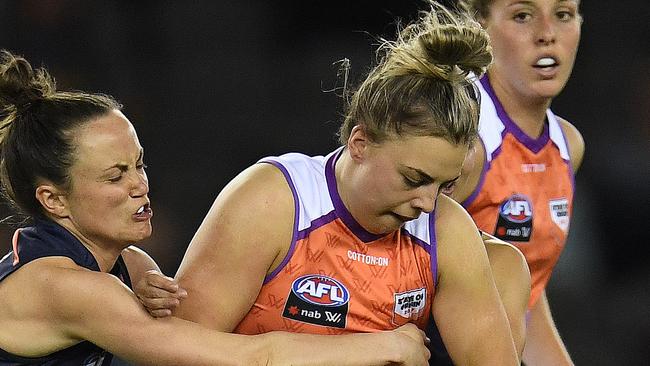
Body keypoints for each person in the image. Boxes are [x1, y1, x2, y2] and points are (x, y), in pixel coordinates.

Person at [0, 50, 432, 366]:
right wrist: (383, 345)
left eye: (139, 164)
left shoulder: (129, 264)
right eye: (115, 176)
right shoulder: (66, 286)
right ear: (53, 199)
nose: (140, 186)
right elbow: (249, 359)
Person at [163, 2, 520, 365]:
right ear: (359, 143)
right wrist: (367, 350)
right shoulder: (274, 201)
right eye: (415, 179)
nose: (427, 203)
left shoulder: (445, 231)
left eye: (445, 186)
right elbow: (175, 354)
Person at [441, 0, 584, 365]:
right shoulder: (461, 142)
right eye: (523, 16)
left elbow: (528, 299)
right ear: (479, 26)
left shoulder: (568, 145)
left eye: (563, 15)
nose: (547, 35)